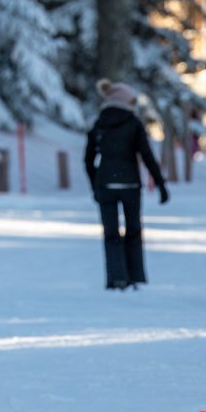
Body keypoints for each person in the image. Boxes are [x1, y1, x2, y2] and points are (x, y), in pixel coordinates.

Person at [84, 79, 169, 290]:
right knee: (133, 231)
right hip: (130, 184)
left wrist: (95, 183)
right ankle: (136, 275)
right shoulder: (133, 123)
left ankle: (116, 277)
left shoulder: (99, 123)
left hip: (105, 185)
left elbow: (88, 158)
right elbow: (147, 156)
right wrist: (160, 184)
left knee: (110, 233)